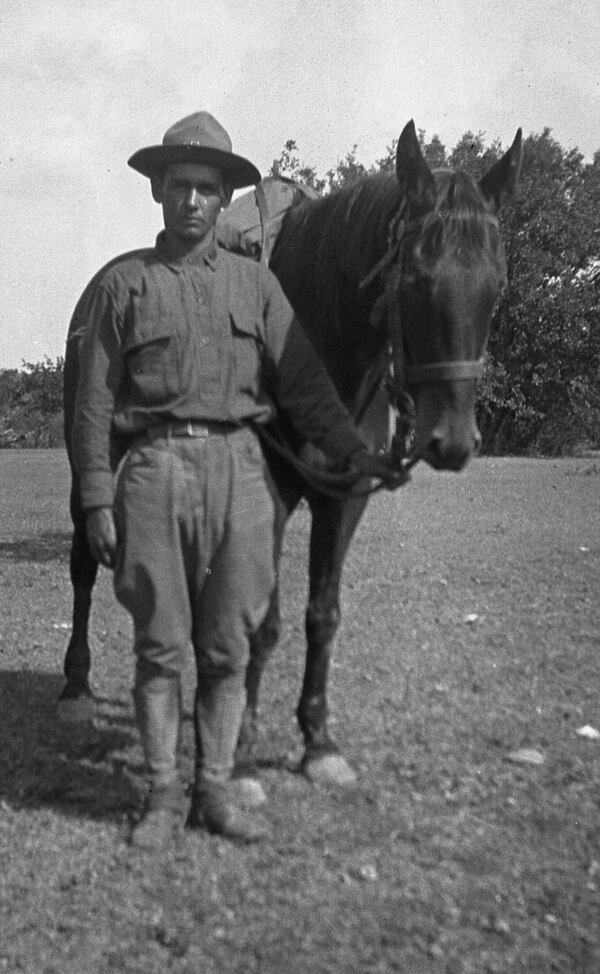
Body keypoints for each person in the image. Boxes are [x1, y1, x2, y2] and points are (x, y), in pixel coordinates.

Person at [72, 111, 404, 849]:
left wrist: (360, 453)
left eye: (208, 189)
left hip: (243, 474)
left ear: (226, 201)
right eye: (181, 186)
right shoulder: (124, 286)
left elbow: (307, 386)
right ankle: (161, 795)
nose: (193, 201)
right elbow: (93, 401)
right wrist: (97, 495)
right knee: (160, 648)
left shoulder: (259, 287)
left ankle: (214, 791)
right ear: (158, 191)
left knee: (228, 647)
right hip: (156, 469)